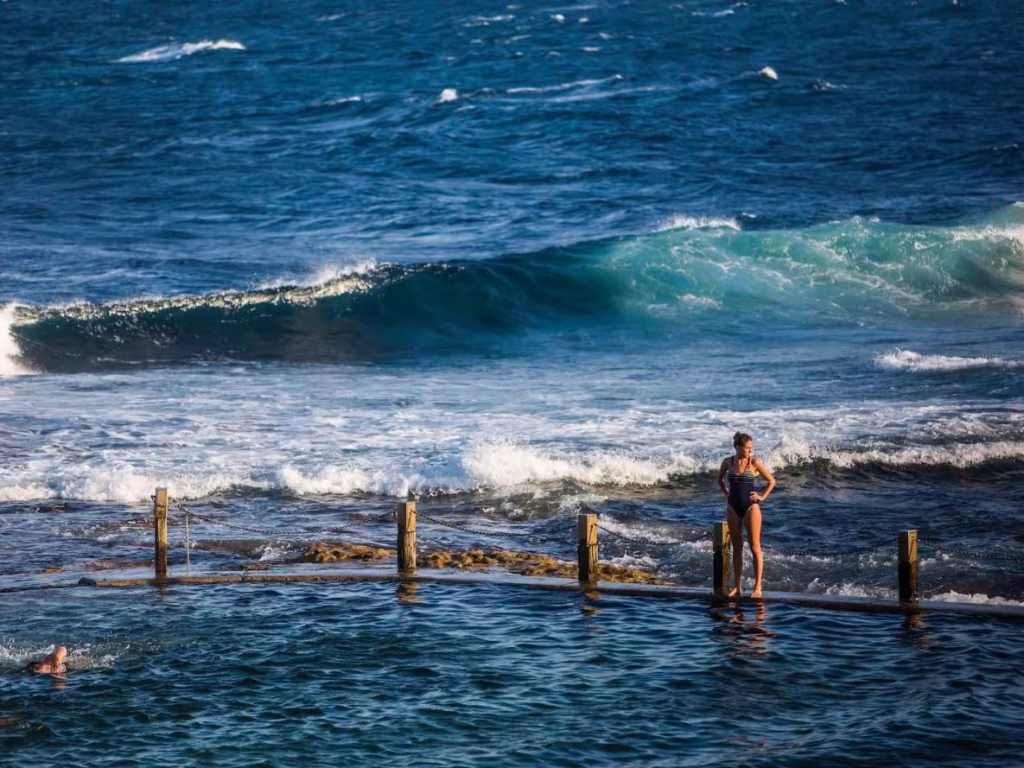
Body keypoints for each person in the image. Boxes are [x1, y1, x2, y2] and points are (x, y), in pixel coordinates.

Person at [717, 432, 775, 598]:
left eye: (751, 448)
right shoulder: (728, 462)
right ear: (738, 447)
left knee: (755, 547)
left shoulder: (754, 462)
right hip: (732, 508)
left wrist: (761, 496)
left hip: (751, 508)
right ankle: (737, 587)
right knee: (737, 548)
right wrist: (727, 493)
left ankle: (757, 588)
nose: (751, 450)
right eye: (748, 448)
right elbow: (720, 480)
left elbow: (771, 481)